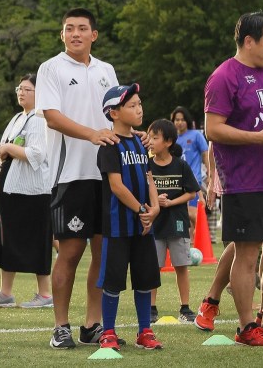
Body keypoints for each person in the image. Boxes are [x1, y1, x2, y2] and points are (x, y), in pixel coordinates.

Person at [196, 11, 263, 346]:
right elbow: (212, 130)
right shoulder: (223, 77)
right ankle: (246, 327)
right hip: (245, 182)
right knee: (246, 254)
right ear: (249, 40)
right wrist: (260, 138)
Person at [35, 8, 119, 349]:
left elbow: (117, 115)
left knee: (102, 253)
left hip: (105, 175)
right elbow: (53, 118)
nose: (75, 34)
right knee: (70, 251)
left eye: (82, 29)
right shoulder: (50, 68)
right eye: (69, 29)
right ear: (62, 34)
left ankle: (92, 325)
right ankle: (61, 326)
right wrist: (92, 135)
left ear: (93, 35)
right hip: (70, 176)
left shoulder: (106, 70)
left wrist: (134, 136)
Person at [95, 84, 162, 352]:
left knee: (145, 279)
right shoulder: (110, 145)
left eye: (139, 103)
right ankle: (108, 332)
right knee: (113, 280)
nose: (139, 109)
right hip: (117, 225)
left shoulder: (141, 141)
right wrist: (142, 210)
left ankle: (145, 330)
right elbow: (116, 186)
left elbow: (148, 177)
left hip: (144, 224)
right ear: (114, 113)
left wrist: (155, 208)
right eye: (132, 105)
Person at [0, 74, 54, 310]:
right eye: (19, 89)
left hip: (34, 191)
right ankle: (5, 293)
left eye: (27, 89)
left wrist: (8, 148)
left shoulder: (40, 118)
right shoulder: (18, 118)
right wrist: (6, 150)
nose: (21, 92)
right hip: (13, 188)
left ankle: (44, 294)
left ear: (39, 93)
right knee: (7, 240)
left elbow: (37, 153)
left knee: (38, 241)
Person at [145, 119, 200, 323]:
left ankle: (185, 308)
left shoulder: (181, 165)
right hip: (155, 224)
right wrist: (155, 201)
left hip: (177, 222)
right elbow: (141, 191)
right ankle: (151, 308)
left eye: (155, 137)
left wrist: (171, 203)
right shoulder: (147, 165)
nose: (150, 141)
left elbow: (192, 192)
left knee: (181, 266)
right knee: (153, 267)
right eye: (149, 136)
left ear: (168, 142)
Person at [171, 107, 208, 241]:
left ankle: (203, 238)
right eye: (177, 120)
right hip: (177, 182)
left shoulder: (196, 135)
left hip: (194, 180)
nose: (179, 122)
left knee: (193, 214)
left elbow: (205, 155)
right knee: (184, 215)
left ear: (187, 121)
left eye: (182, 119)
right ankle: (193, 241)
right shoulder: (172, 139)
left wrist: (210, 174)